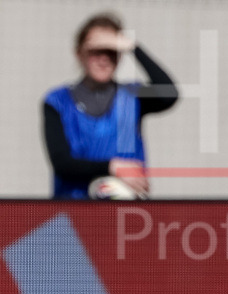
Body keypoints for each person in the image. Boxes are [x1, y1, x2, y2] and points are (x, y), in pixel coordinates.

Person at [42, 13, 179, 199]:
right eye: (96, 51)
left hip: (125, 217)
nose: (104, 59)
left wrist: (133, 47)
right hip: (71, 212)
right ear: (79, 53)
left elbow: (169, 94)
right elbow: (62, 163)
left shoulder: (131, 97)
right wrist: (113, 167)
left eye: (111, 51)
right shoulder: (57, 101)